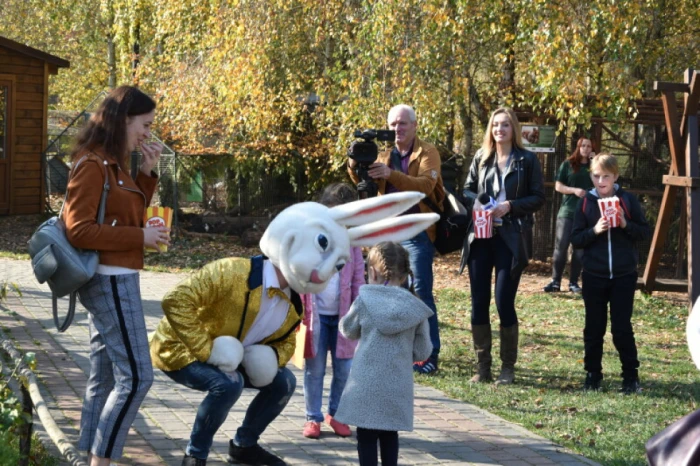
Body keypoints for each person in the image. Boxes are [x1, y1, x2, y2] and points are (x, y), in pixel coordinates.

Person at [149, 190, 438, 466]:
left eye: (336, 265)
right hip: (182, 350)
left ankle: (244, 446)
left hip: (233, 357)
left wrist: (269, 359)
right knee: (228, 384)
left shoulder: (295, 301)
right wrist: (207, 349)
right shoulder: (232, 272)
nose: (326, 270)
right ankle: (196, 453)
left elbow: (286, 341)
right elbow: (176, 300)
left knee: (284, 381)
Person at [63, 85, 169, 466]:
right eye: (145, 124)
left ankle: (85, 457)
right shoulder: (92, 165)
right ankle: (101, 460)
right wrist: (140, 236)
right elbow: (79, 230)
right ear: (124, 119)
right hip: (109, 280)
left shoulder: (112, 162)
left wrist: (146, 173)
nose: (148, 133)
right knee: (138, 378)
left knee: (104, 379)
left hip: (118, 276)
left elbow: (123, 213)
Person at [347, 104, 444, 375]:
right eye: (392, 124)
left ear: (414, 125)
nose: (397, 129)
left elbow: (426, 186)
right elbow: (360, 179)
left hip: (417, 230)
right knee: (382, 289)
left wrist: (391, 175)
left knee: (421, 290)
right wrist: (354, 161)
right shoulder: (382, 153)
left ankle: (429, 354)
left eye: (402, 124)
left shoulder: (428, 152)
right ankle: (387, 349)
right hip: (386, 231)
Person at [460, 107, 545, 385]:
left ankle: (507, 368)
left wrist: (510, 206)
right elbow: (467, 189)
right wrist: (480, 201)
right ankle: (483, 367)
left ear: (513, 129)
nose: (500, 129)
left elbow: (538, 197)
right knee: (479, 301)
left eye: (505, 125)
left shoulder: (527, 160)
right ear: (491, 129)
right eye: (496, 125)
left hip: (511, 237)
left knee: (503, 301)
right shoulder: (481, 157)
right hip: (482, 237)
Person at [334, 242, 433, 466]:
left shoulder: (365, 300)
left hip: (365, 383)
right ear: (406, 271)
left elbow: (348, 330)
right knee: (390, 435)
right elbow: (423, 351)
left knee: (366, 437)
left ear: (372, 271)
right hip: (397, 385)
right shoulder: (416, 306)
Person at [570, 154, 650, 394]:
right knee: (594, 328)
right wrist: (594, 230)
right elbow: (575, 239)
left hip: (624, 276)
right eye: (596, 175)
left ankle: (630, 377)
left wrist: (626, 225)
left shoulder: (627, 200)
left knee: (622, 328)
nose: (601, 180)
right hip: (594, 275)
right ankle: (593, 375)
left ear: (615, 176)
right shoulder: (585, 202)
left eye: (606, 176)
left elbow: (644, 233)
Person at [301, 183, 364, 439]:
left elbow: (359, 278)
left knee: (344, 370)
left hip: (344, 320)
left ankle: (336, 414)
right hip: (315, 318)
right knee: (313, 370)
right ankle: (312, 417)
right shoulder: (311, 240)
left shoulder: (352, 244)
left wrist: (357, 311)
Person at [544, 137, 595, 293]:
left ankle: (574, 283)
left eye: (589, 146)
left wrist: (595, 162)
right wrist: (574, 190)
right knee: (561, 247)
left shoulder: (595, 167)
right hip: (567, 212)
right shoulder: (568, 164)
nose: (586, 149)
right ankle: (555, 282)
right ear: (578, 147)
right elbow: (558, 186)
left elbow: (602, 183)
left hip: (586, 213)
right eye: (583, 146)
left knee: (579, 250)